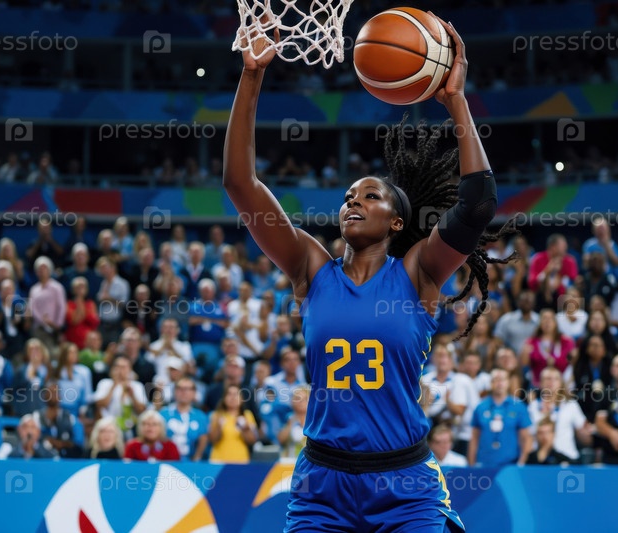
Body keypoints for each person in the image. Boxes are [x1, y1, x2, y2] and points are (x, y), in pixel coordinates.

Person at [225, 17, 509, 532]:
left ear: (396, 222)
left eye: (370, 195)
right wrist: (252, 75)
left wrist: (456, 102)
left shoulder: (419, 273)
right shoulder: (310, 268)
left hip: (406, 486)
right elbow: (240, 183)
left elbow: (478, 204)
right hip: (322, 485)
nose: (353, 202)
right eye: (348, 196)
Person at [469, 368, 532, 467]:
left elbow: (526, 438)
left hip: (510, 464)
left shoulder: (518, 407)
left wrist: (522, 462)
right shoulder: (481, 407)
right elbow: (474, 437)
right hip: (484, 463)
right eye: (496, 380)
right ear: (491, 383)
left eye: (502, 379)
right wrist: (471, 463)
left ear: (508, 382)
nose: (499, 383)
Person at [160, 376, 209, 461]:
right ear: (174, 391)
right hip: (165, 460)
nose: (184, 392)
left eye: (187, 389)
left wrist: (196, 459)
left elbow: (203, 439)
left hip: (190, 462)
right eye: (180, 389)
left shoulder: (200, 416)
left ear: (194, 393)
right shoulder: (163, 414)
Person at [208, 384, 258, 463]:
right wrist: (218, 426)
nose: (233, 397)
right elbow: (212, 440)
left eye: (236, 394)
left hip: (241, 461)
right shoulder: (216, 415)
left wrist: (245, 429)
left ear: (241, 399)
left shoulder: (247, 415)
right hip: (219, 461)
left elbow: (252, 441)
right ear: (224, 398)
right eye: (229, 394)